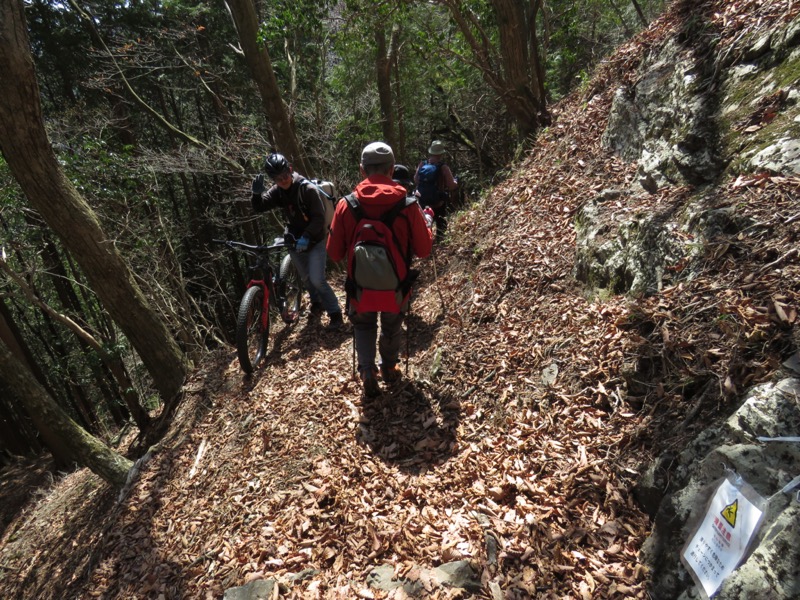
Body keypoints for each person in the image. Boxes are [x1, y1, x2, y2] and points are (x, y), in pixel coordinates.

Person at [327, 142, 433, 397]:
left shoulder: (346, 204)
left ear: (362, 170)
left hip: (360, 288)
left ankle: (366, 370)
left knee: (363, 326)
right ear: (390, 169)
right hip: (396, 286)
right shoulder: (408, 205)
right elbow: (423, 250)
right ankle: (388, 368)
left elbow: (334, 253)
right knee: (391, 326)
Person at [251, 152, 344, 331]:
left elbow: (319, 218)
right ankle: (317, 303)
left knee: (317, 279)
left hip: (315, 239)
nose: (283, 180)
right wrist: (256, 194)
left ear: (290, 170)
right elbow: (260, 206)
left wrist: (307, 236)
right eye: (278, 178)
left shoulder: (307, 189)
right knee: (307, 278)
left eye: (285, 175)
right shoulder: (277, 192)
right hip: (294, 241)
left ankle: (335, 314)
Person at [414, 140, 458, 240]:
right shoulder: (443, 167)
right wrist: (456, 182)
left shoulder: (422, 164)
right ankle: (440, 242)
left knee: (424, 224)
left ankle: (425, 245)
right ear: (441, 153)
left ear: (431, 152)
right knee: (441, 227)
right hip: (438, 203)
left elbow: (416, 180)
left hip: (423, 201)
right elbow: (451, 186)